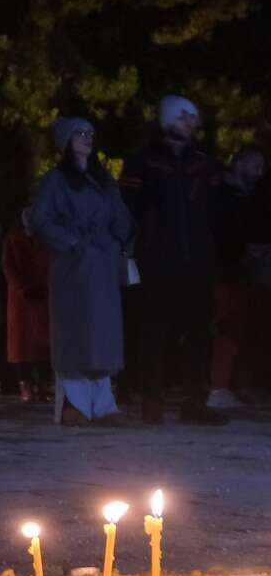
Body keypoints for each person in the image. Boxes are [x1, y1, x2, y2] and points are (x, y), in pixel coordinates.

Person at [119, 95, 225, 425]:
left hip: (196, 258)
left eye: (192, 118)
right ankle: (152, 398)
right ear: (166, 119)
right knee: (156, 330)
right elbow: (127, 207)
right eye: (183, 117)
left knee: (197, 330)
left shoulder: (203, 162)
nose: (190, 123)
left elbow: (218, 207)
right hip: (158, 258)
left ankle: (195, 400)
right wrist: (133, 246)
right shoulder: (144, 161)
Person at [31, 117, 134, 427]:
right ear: (66, 140)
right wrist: (72, 242)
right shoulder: (55, 180)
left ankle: (103, 404)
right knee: (74, 332)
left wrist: (122, 241)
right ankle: (73, 404)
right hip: (73, 267)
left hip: (101, 264)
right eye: (80, 133)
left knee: (102, 334)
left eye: (91, 132)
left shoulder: (104, 181)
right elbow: (41, 219)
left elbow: (121, 216)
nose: (88, 138)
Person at [206, 147, 266, 408]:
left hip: (240, 271)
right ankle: (216, 386)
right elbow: (222, 232)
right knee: (225, 327)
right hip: (222, 270)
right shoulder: (222, 195)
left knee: (239, 328)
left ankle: (229, 384)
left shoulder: (247, 197)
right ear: (240, 163)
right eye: (255, 166)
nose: (258, 173)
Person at [1, 206, 53, 402]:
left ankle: (42, 385)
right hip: (21, 300)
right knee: (21, 345)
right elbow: (8, 267)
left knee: (43, 343)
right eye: (26, 213)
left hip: (43, 297)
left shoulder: (45, 239)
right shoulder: (12, 238)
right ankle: (25, 385)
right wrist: (23, 288)